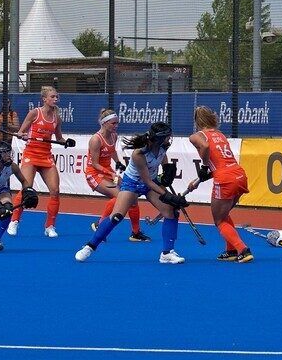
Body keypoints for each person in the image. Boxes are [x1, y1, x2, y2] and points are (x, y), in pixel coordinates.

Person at [75, 122, 188, 264]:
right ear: (159, 138)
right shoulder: (139, 153)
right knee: (116, 217)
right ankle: (89, 246)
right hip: (133, 183)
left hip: (151, 182)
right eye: (167, 137)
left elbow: (161, 165)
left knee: (171, 212)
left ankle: (167, 253)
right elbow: (147, 181)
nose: (169, 140)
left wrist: (167, 171)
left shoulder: (162, 148)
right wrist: (167, 195)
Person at [186, 106, 252, 263]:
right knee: (225, 214)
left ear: (197, 121)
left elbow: (206, 147)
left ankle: (242, 249)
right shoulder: (220, 135)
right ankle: (231, 251)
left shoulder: (196, 136)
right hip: (239, 174)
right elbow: (219, 164)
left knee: (219, 220)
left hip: (225, 179)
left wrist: (203, 166)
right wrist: (199, 179)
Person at [7, 86, 69, 238]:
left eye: (56, 97)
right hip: (31, 154)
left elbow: (59, 138)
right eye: (53, 97)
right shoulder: (35, 113)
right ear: (45, 99)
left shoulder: (56, 118)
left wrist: (66, 142)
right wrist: (21, 135)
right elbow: (21, 132)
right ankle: (14, 221)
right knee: (26, 188)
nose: (55, 99)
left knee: (55, 190)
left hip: (46, 156)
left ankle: (50, 226)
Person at [87, 108, 150, 242]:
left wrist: (118, 163)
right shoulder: (95, 140)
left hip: (108, 171)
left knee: (131, 195)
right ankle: (100, 224)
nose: (116, 126)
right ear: (104, 123)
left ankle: (135, 233)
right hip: (94, 174)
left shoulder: (113, 136)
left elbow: (112, 151)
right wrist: (110, 172)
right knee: (120, 196)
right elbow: (95, 164)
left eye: (117, 123)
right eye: (113, 123)